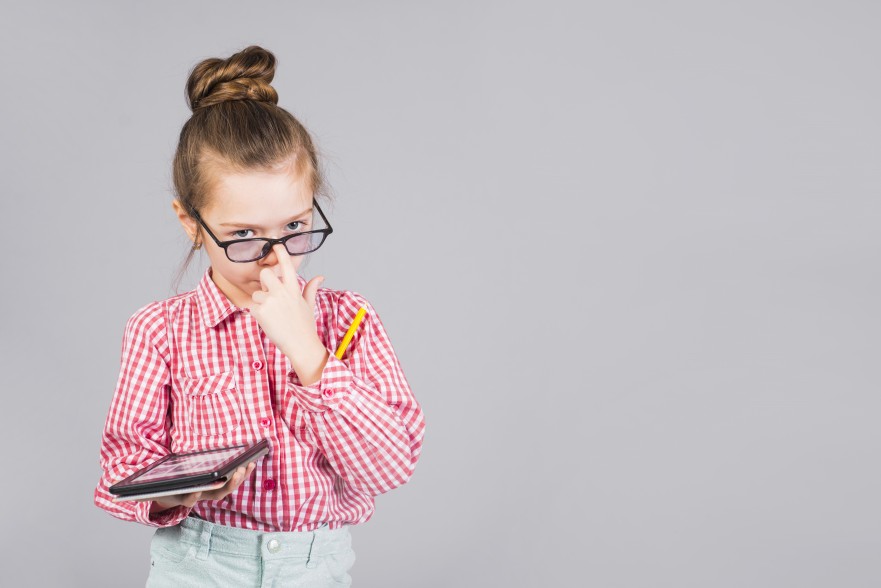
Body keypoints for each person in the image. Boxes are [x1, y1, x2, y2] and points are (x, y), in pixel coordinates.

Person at [94, 45, 425, 587]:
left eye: (295, 227)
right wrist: (181, 490)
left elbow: (389, 468)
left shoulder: (351, 322)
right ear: (191, 222)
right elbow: (121, 470)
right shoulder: (159, 331)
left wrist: (310, 355)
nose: (277, 258)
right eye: (243, 236)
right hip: (198, 564)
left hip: (315, 567)